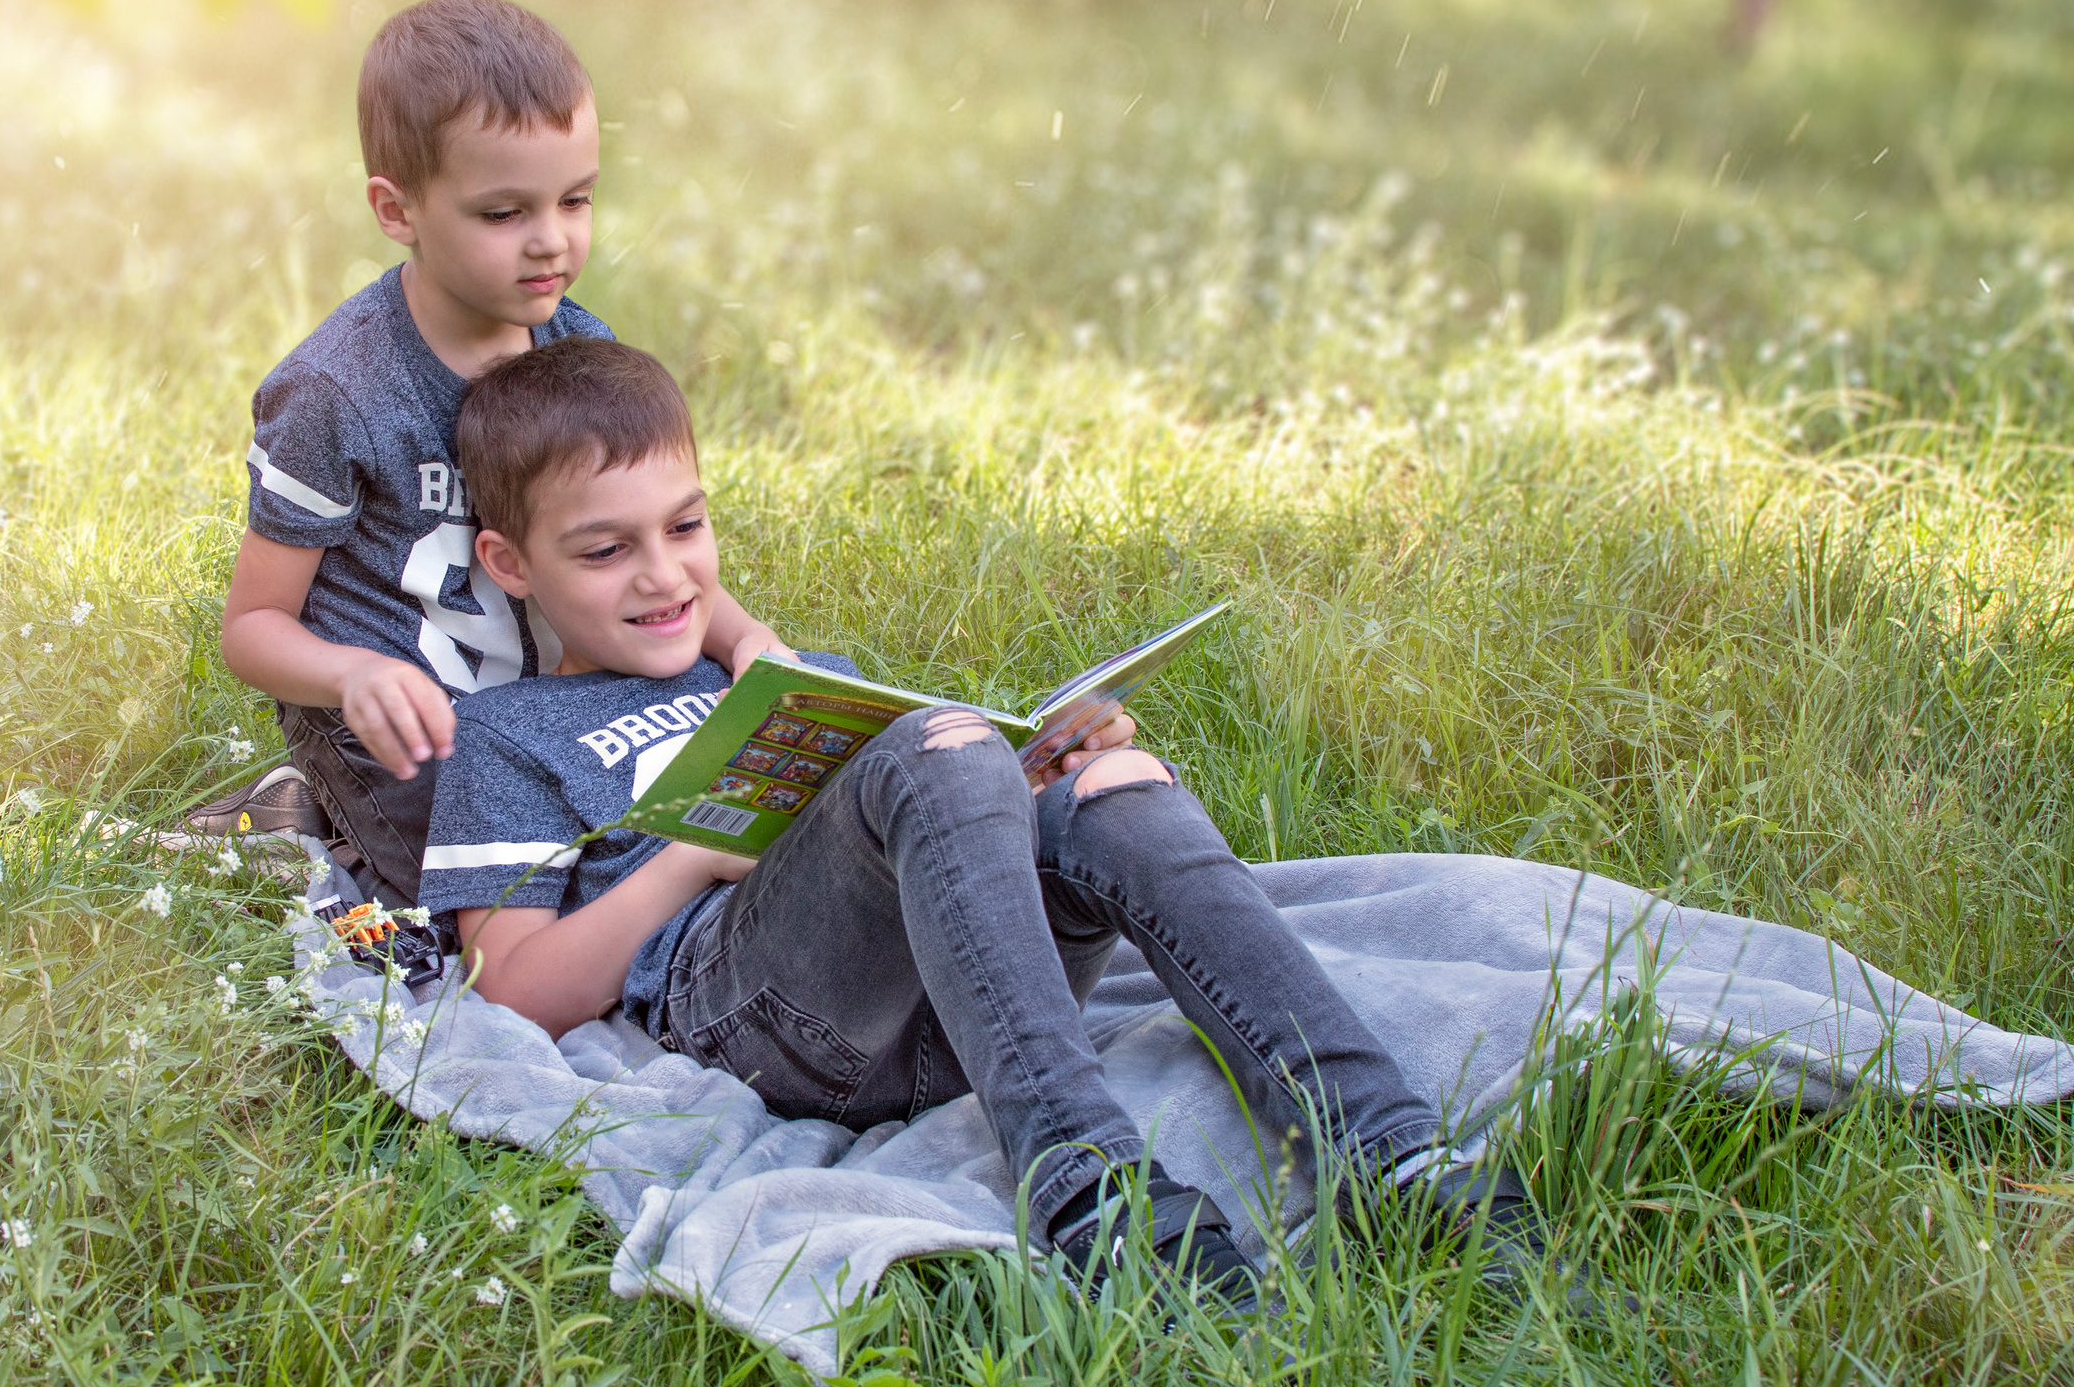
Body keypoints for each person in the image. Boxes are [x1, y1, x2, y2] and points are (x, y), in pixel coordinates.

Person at [416, 336, 1562, 1307]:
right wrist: (687, 861)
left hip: (957, 1005)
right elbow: (507, 994)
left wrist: (1039, 782)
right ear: (511, 564)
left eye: (687, 527)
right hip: (753, 1008)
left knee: (1112, 788)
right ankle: (1088, 1191)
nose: (663, 576)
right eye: (606, 549)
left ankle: (1389, 1148)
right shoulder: (512, 733)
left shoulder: (790, 674)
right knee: (938, 748)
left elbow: (945, 826)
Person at [197, 0, 786, 977]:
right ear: (398, 210)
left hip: (556, 721)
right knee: (442, 936)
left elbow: (648, 548)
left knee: (690, 836)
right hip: (408, 743)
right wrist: (353, 675)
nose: (550, 240)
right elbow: (251, 628)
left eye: (576, 199)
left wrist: (747, 642)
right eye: (503, 213)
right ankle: (292, 824)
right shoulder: (337, 393)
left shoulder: (577, 349)